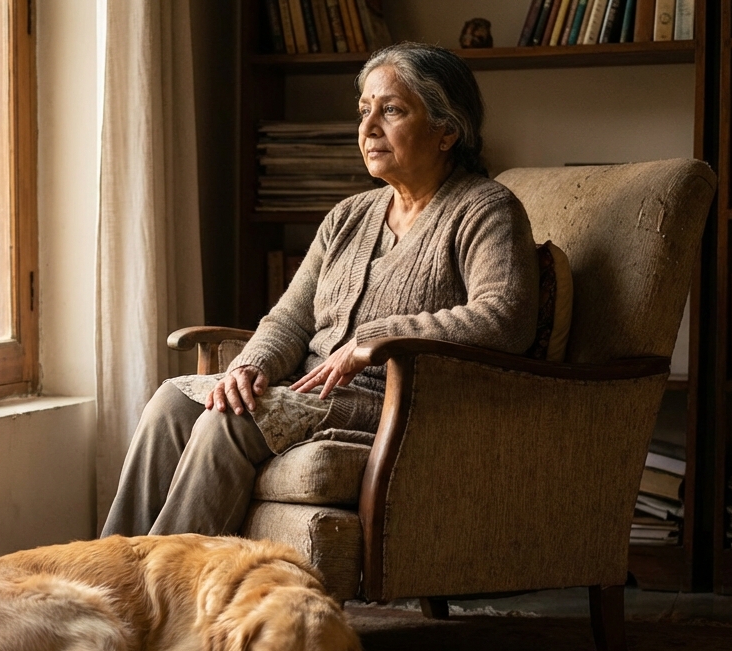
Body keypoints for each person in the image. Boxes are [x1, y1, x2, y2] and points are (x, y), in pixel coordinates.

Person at [101, 42, 539, 538]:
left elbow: (506, 317)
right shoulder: (348, 216)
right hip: (306, 391)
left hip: (395, 403)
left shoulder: (486, 209)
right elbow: (290, 318)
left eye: (391, 110)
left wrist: (374, 340)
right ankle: (102, 581)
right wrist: (249, 367)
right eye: (364, 110)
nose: (369, 127)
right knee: (171, 404)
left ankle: (163, 593)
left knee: (232, 420)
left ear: (447, 131)